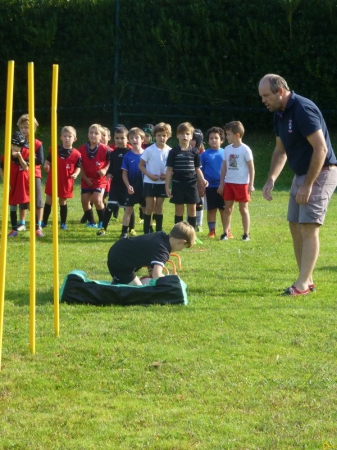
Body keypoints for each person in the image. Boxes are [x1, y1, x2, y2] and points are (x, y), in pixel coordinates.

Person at [259, 73, 337, 296]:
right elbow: (280, 150)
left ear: (280, 91)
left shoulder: (302, 109)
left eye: (266, 95)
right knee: (294, 224)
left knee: (308, 226)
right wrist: (271, 178)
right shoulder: (279, 114)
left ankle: (302, 284)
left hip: (321, 172)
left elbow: (320, 149)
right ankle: (307, 279)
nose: (263, 100)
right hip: (301, 174)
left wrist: (308, 185)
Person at [107, 221, 196, 285]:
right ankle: (118, 283)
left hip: (120, 249)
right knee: (139, 293)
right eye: (183, 247)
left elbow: (148, 249)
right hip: (119, 260)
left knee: (138, 285)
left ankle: (120, 281)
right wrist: (171, 282)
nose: (180, 250)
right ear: (182, 242)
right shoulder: (163, 250)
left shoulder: (161, 236)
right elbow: (157, 275)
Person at [165, 122, 208, 229]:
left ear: (191, 136)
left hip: (191, 185)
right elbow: (169, 170)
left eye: (188, 134)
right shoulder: (173, 152)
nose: (185, 136)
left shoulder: (195, 152)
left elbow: (197, 169)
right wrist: (167, 187)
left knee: (192, 209)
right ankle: (178, 233)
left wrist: (203, 180)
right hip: (178, 184)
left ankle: (191, 234)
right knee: (179, 209)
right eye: (182, 133)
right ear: (177, 135)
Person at [218, 121, 255, 241]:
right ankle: (225, 233)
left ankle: (246, 234)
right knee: (227, 208)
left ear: (237, 135)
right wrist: (221, 184)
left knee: (243, 209)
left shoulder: (245, 150)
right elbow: (224, 167)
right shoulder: (227, 149)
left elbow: (251, 168)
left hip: (242, 184)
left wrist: (251, 185)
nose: (226, 136)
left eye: (228, 134)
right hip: (229, 183)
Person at [42, 126, 81, 230]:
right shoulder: (54, 149)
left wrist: (76, 173)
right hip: (53, 179)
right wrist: (46, 165)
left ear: (74, 139)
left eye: (70, 136)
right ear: (61, 137)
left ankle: (63, 223)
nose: (67, 138)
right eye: (65, 136)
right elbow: (48, 160)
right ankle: (44, 221)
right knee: (49, 200)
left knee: (62, 201)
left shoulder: (77, 154)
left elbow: (78, 167)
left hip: (66, 180)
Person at [97, 124, 130, 236]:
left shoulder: (130, 153)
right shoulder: (113, 153)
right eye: (117, 138)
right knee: (110, 206)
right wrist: (109, 173)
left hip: (126, 185)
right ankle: (103, 228)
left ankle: (131, 229)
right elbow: (111, 166)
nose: (119, 140)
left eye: (122, 138)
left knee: (128, 208)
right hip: (115, 185)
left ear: (127, 138)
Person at [139, 122, 171, 234]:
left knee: (159, 207)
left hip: (162, 184)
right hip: (149, 182)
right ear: (154, 136)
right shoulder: (149, 150)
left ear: (168, 136)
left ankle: (158, 231)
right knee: (149, 207)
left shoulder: (170, 151)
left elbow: (172, 169)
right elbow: (141, 165)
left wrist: (166, 175)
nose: (161, 138)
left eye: (164, 135)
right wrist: (150, 175)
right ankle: (147, 230)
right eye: (159, 135)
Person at [17, 114, 44, 237]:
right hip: (22, 173)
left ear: (33, 128)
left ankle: (38, 224)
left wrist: (28, 160)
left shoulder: (37, 143)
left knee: (37, 199)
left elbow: (40, 160)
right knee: (23, 198)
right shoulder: (17, 142)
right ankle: (22, 222)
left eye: (27, 127)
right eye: (22, 127)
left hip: (34, 174)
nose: (24, 130)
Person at [78, 124, 110, 228]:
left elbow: (112, 160)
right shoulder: (82, 149)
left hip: (100, 180)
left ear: (101, 136)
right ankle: (92, 222)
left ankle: (102, 221)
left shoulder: (106, 149)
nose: (93, 135)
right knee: (84, 201)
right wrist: (85, 177)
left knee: (97, 199)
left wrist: (105, 169)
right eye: (91, 133)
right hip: (86, 179)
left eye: (96, 133)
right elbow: (80, 164)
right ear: (88, 135)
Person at [0, 132, 29, 237]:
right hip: (12, 182)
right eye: (13, 145)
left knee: (27, 203)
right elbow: (1, 169)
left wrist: (20, 156)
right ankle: (14, 229)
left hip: (23, 182)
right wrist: (6, 182)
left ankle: (35, 226)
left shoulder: (26, 153)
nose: (15, 148)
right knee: (12, 204)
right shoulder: (5, 156)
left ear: (22, 147)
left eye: (18, 146)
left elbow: (26, 167)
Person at [119, 127, 145, 239]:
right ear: (129, 140)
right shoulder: (127, 156)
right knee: (128, 209)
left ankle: (147, 230)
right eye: (132, 138)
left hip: (144, 186)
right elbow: (124, 174)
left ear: (142, 139)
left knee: (146, 209)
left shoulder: (147, 154)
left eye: (137, 137)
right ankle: (124, 232)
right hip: (131, 186)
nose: (134, 140)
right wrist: (128, 185)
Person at [200, 126, 226, 238]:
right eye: (211, 138)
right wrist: (201, 186)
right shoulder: (204, 155)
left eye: (216, 138)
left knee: (224, 210)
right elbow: (200, 171)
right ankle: (212, 231)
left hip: (224, 186)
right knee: (211, 210)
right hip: (209, 187)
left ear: (222, 140)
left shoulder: (226, 153)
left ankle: (227, 230)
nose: (213, 140)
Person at [190, 128, 205, 232]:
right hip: (189, 180)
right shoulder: (186, 150)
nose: (191, 141)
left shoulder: (203, 153)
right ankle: (189, 222)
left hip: (199, 181)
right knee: (190, 202)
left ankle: (199, 224)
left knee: (199, 202)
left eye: (194, 139)